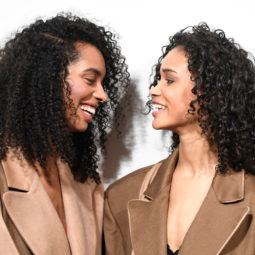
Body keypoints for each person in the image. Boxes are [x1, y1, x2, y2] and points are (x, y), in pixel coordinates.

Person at [103, 23, 255, 255]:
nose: (153, 90)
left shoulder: (252, 197)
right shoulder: (121, 197)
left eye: (169, 80)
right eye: (157, 79)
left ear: (210, 92)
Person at [0, 13, 129, 254]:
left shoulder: (87, 183)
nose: (102, 95)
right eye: (91, 79)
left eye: (103, 82)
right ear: (48, 77)